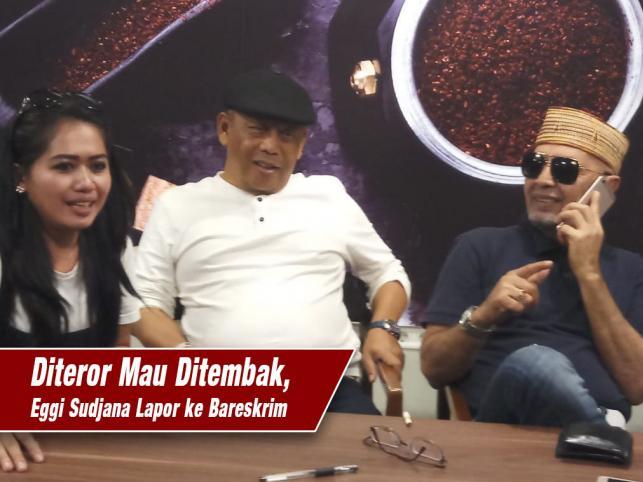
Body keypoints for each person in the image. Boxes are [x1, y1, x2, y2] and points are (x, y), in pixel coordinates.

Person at [134, 69, 411, 414]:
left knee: (374, 449)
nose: (271, 146)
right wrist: (192, 364)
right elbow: (144, 305)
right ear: (224, 128)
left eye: (286, 135)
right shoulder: (177, 205)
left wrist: (383, 327)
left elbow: (388, 274)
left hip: (328, 390)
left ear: (302, 144)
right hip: (218, 394)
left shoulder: (328, 196)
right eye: (258, 129)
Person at [421, 106, 643, 427]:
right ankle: (599, 442)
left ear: (607, 187)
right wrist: (485, 315)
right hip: (505, 426)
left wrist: (589, 273)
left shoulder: (630, 268)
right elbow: (433, 370)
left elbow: (637, 386)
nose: (543, 180)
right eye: (534, 165)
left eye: (565, 170)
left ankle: (594, 438)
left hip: (599, 415)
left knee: (544, 365)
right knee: (535, 361)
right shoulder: (479, 246)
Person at [0, 90, 142, 470]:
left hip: (85, 445)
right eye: (64, 167)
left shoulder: (115, 247)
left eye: (97, 166)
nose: (86, 183)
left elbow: (118, 349)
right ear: (21, 176)